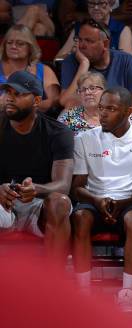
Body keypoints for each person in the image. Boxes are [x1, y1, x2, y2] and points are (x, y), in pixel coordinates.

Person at [71, 87, 132, 309]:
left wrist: (124, 202)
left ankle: (127, 292)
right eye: (101, 108)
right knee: (80, 217)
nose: (103, 114)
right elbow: (77, 187)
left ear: (128, 112)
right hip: (93, 199)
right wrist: (98, 200)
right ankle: (83, 291)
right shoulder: (83, 139)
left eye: (111, 109)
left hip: (128, 199)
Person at [0, 70, 73, 268]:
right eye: (7, 92)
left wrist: (36, 189)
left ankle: (54, 283)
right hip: (2, 202)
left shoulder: (58, 132)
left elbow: (64, 184)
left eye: (18, 94)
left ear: (36, 101)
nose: (10, 99)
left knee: (60, 202)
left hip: (38, 205)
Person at [60, 19, 132, 129]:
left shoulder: (127, 61)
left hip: (118, 118)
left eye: (89, 41)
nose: (82, 46)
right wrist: (84, 65)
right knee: (64, 115)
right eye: (79, 40)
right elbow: (66, 102)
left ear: (105, 43)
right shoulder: (72, 61)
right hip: (85, 118)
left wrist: (111, 116)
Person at [0, 24, 60, 113]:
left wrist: (22, 105)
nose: (13, 46)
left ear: (30, 47)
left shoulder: (44, 70)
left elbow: (53, 101)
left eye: (20, 44)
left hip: (33, 119)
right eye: (9, 43)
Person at [58, 71, 132, 134]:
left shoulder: (123, 115)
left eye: (92, 88)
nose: (87, 92)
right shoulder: (67, 118)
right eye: (83, 90)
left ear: (104, 91)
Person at [55, 0, 132, 59]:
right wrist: (71, 53)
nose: (96, 8)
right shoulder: (79, 28)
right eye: (92, 3)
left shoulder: (122, 30)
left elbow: (128, 63)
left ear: (111, 4)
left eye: (101, 3)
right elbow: (58, 59)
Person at [57, 0, 132, 36]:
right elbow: (67, 16)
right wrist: (117, 12)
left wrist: (83, 16)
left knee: (128, 29)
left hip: (116, 28)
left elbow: (130, 15)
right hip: (85, 27)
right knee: (73, 27)